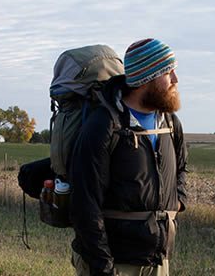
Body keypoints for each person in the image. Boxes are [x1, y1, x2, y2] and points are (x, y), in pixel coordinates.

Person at [69, 38, 188, 276]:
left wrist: (178, 201)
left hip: (157, 259)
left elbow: (182, 168)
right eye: (168, 72)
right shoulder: (104, 124)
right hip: (114, 262)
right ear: (147, 79)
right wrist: (104, 268)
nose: (176, 79)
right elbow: (85, 205)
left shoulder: (169, 123)